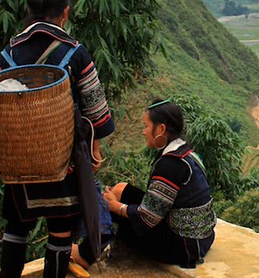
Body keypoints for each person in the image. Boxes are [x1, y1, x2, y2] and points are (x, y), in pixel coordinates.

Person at [0, 0, 115, 278]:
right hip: (63, 157)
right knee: (61, 225)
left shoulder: (9, 53)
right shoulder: (75, 52)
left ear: (29, 12)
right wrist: (94, 147)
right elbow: (96, 110)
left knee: (17, 221)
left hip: (20, 157)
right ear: (65, 13)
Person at [78, 99, 215, 269]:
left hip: (183, 247)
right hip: (202, 238)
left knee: (108, 206)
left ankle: (85, 255)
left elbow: (147, 218)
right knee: (121, 189)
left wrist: (116, 207)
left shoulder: (170, 164)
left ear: (161, 129)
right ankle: (98, 245)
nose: (144, 132)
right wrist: (118, 203)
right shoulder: (185, 152)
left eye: (146, 126)